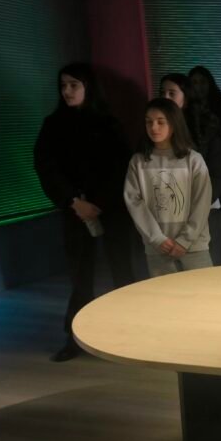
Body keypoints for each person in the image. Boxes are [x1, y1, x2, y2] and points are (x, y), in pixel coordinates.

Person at [33, 62, 134, 362]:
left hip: (111, 208)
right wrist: (73, 202)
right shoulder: (53, 125)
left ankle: (130, 331)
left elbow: (121, 168)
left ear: (88, 87)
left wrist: (99, 202)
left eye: (73, 85)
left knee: (121, 269)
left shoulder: (108, 123)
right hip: (74, 210)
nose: (67, 91)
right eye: (63, 85)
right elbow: (46, 168)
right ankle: (75, 336)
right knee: (80, 274)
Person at [124, 98, 213, 277]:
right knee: (164, 294)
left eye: (160, 122)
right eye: (149, 122)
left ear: (174, 124)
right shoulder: (139, 161)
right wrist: (157, 238)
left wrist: (185, 240)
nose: (154, 127)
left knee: (202, 291)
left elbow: (202, 202)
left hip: (194, 245)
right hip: (159, 247)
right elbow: (134, 202)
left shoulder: (193, 160)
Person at [160, 73, 221, 265]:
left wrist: (197, 205)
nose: (166, 98)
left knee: (205, 271)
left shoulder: (206, 126)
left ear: (187, 96)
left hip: (204, 211)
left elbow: (219, 174)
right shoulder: (156, 128)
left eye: (172, 93)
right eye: (162, 92)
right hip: (166, 213)